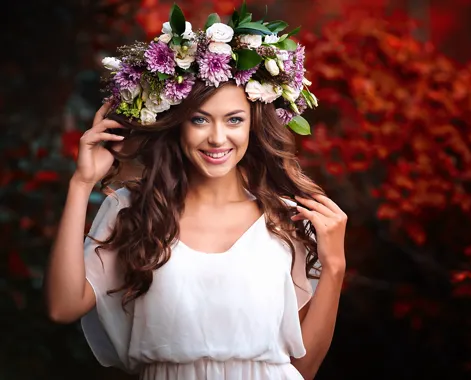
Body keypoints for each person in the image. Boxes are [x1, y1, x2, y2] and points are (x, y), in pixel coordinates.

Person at [43, 3, 346, 380]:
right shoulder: (133, 210)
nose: (218, 138)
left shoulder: (285, 220)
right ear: (176, 125)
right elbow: (62, 306)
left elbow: (304, 367)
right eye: (199, 119)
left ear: (254, 125)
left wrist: (334, 266)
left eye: (234, 119)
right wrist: (81, 183)